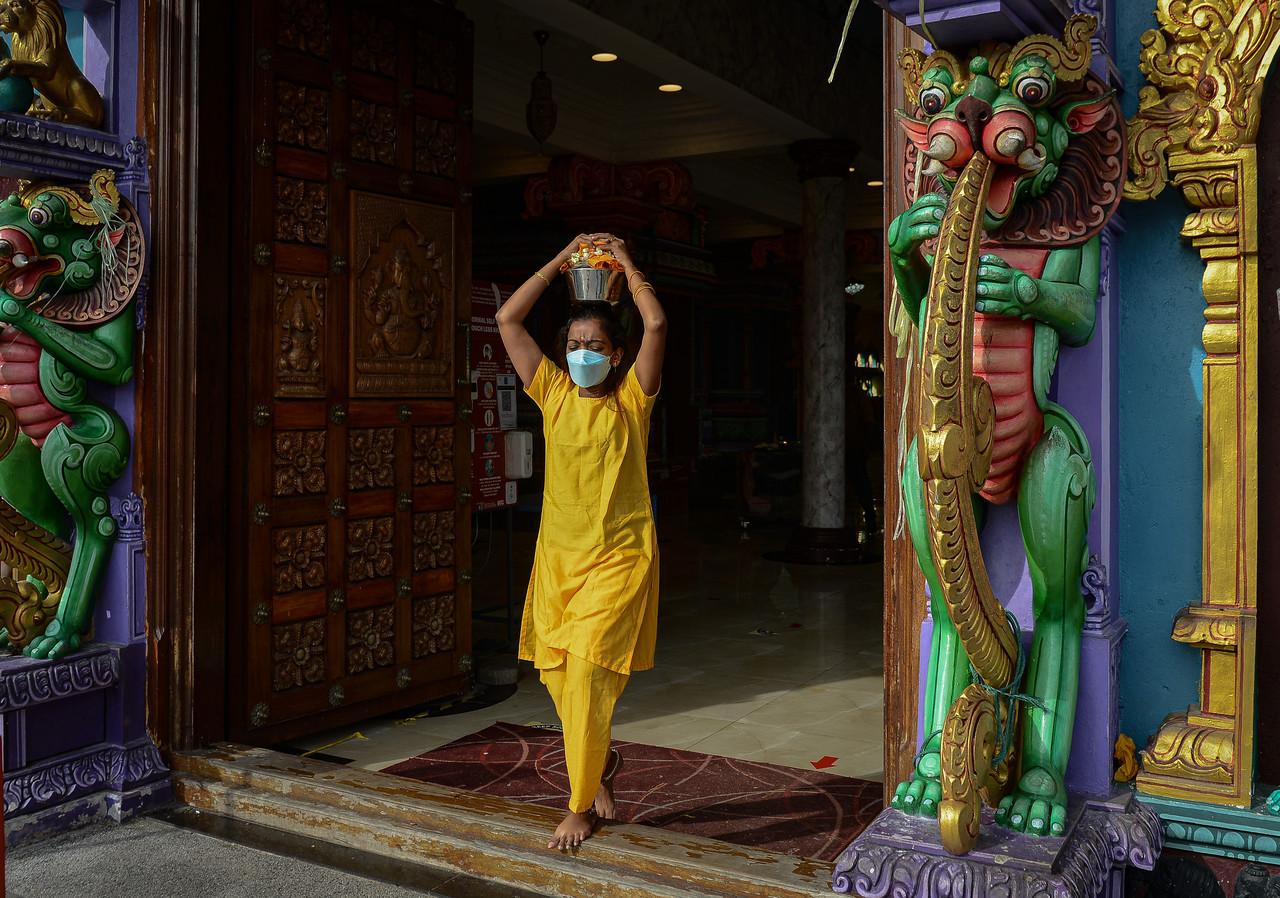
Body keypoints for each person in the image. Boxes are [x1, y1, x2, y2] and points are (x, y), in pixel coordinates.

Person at [495, 232, 666, 851]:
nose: (581, 354)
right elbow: (508, 318)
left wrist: (623, 264)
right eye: (573, 345)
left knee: (591, 668)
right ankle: (598, 774)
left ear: (616, 354)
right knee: (562, 677)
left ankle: (578, 806)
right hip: (558, 559)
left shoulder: (631, 401)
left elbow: (655, 321)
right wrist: (561, 259)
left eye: (594, 346)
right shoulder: (553, 394)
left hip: (619, 557)